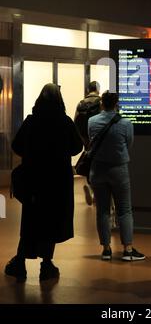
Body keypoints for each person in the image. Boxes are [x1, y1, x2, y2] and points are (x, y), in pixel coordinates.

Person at [5, 84, 83, 281]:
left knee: (31, 221)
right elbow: (77, 147)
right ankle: (46, 265)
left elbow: (16, 145)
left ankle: (20, 263)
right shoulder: (65, 122)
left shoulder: (32, 121)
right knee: (52, 221)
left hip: (34, 180)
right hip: (58, 183)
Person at [88, 91, 145, 261]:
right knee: (124, 210)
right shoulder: (126, 123)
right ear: (117, 104)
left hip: (97, 169)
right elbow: (129, 144)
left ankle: (106, 249)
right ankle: (127, 249)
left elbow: (91, 141)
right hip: (119, 169)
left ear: (101, 104)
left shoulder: (92, 121)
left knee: (102, 210)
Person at [74, 81, 101, 205]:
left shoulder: (81, 103)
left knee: (89, 160)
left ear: (88, 89)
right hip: (98, 137)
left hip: (85, 138)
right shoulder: (101, 102)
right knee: (99, 164)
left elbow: (76, 123)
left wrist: (82, 139)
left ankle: (90, 186)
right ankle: (95, 192)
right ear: (98, 89)